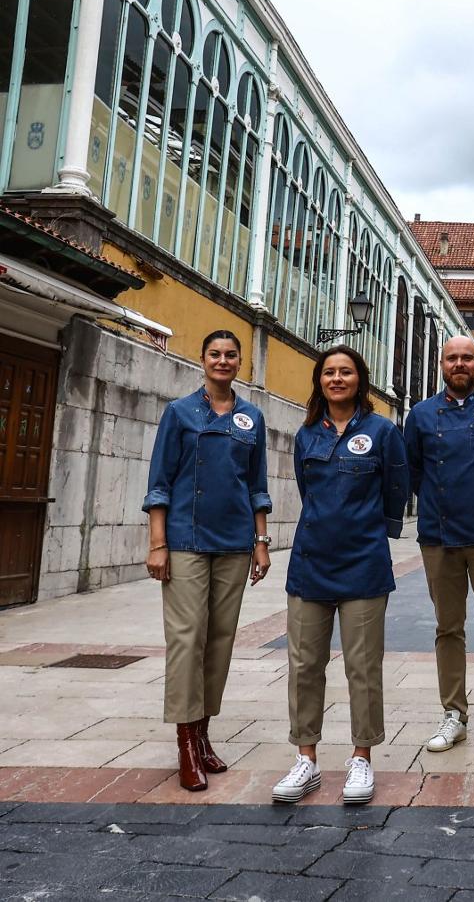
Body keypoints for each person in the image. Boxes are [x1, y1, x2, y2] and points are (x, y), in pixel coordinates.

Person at [271, 345, 410, 805]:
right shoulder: (307, 434)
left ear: (360, 379)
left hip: (365, 565)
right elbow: (306, 489)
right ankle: (306, 758)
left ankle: (361, 757)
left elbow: (397, 489)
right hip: (310, 563)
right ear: (320, 381)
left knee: (362, 667)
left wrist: (375, 531)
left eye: (345, 372)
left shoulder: (383, 432)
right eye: (329, 372)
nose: (336, 378)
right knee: (304, 666)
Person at [143, 330, 272, 792]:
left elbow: (257, 486)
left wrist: (260, 541)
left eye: (230, 355)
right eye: (214, 353)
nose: (222, 360)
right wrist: (158, 543)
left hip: (235, 543)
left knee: (219, 640)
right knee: (186, 639)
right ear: (202, 359)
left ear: (240, 363)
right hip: (185, 540)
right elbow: (160, 481)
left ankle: (203, 734)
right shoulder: (179, 413)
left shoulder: (251, 417)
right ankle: (184, 743)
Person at [404, 336, 474, 756]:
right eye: (452, 358)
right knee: (447, 629)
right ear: (441, 364)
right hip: (440, 536)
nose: (460, 364)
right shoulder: (421, 415)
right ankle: (454, 715)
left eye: (468, 358)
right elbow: (412, 472)